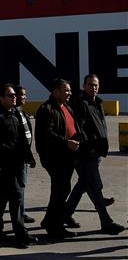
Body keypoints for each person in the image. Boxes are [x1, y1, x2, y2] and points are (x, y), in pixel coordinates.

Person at [64, 75, 124, 235]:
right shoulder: (81, 104)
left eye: (96, 85)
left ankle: (65, 213)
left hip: (96, 152)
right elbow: (80, 129)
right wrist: (89, 145)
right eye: (90, 85)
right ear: (84, 86)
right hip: (86, 153)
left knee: (83, 184)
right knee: (95, 187)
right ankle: (106, 222)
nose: (94, 87)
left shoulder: (98, 103)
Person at [0, 84, 36, 248]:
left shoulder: (14, 114)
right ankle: (21, 235)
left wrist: (29, 157)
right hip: (5, 165)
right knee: (17, 197)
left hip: (18, 162)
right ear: (1, 98)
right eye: (10, 95)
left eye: (15, 95)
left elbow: (21, 140)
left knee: (2, 198)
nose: (15, 97)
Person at [36, 78, 81, 241]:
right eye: (66, 90)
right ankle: (54, 226)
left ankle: (50, 220)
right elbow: (46, 135)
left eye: (69, 90)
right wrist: (66, 143)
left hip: (68, 156)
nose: (69, 93)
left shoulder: (67, 107)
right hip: (54, 157)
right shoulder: (46, 109)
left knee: (62, 189)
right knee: (60, 190)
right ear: (55, 91)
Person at [13, 86, 36, 224]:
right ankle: (21, 214)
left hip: (24, 155)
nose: (24, 97)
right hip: (19, 156)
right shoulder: (13, 113)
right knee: (20, 185)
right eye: (22, 95)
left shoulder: (21, 111)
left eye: (25, 94)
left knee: (20, 185)